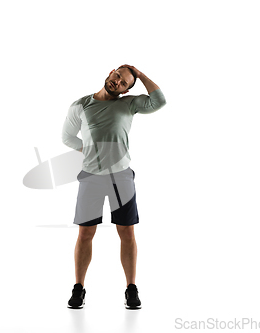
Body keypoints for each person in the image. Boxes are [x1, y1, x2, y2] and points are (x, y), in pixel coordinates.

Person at [62, 64, 166, 309]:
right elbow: (67, 137)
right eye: (117, 76)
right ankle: (79, 287)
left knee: (127, 233)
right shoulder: (80, 105)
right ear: (110, 73)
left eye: (124, 83)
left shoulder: (129, 104)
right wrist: (89, 150)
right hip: (91, 177)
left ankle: (131, 288)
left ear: (127, 89)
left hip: (121, 176)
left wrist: (139, 75)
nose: (118, 82)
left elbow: (159, 100)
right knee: (85, 233)